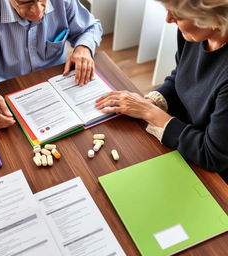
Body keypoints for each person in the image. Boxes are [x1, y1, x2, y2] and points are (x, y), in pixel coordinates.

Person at [96, 0, 228, 182]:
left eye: (177, 14)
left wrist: (148, 111)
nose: (168, 19)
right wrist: (151, 102)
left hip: (214, 177)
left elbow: (211, 155)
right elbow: (181, 76)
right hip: (184, 140)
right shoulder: (192, 34)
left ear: (215, 17)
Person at [0, 0, 102, 128]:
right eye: (26, 2)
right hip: (7, 91)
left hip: (60, 83)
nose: (38, 12)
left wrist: (83, 47)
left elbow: (90, 27)